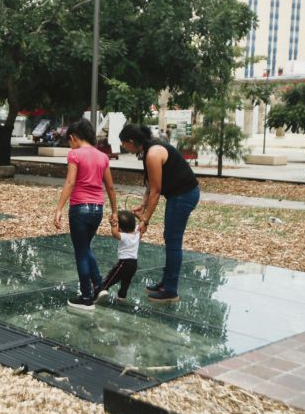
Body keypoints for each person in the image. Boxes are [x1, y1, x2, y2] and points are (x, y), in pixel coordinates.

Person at [119, 124, 199, 303]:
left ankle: (170, 290)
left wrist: (145, 220)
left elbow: (156, 190)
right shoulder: (149, 149)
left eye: (124, 144)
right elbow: (150, 185)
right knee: (170, 238)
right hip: (178, 195)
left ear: (131, 141)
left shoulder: (153, 153)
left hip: (184, 195)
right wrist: (143, 205)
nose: (124, 147)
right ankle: (166, 283)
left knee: (173, 239)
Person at [54, 119, 118, 311]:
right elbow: (110, 186)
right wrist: (114, 210)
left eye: (69, 141)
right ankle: (98, 285)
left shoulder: (75, 154)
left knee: (81, 252)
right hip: (97, 209)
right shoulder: (102, 156)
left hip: (79, 208)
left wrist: (59, 208)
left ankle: (86, 297)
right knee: (85, 246)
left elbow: (70, 183)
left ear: (73, 138)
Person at [95, 210, 139, 303]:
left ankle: (101, 291)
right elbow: (144, 226)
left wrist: (113, 225)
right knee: (126, 281)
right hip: (134, 264)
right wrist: (138, 216)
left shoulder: (124, 236)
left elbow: (115, 234)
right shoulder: (137, 232)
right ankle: (122, 297)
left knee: (111, 277)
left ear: (121, 228)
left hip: (124, 263)